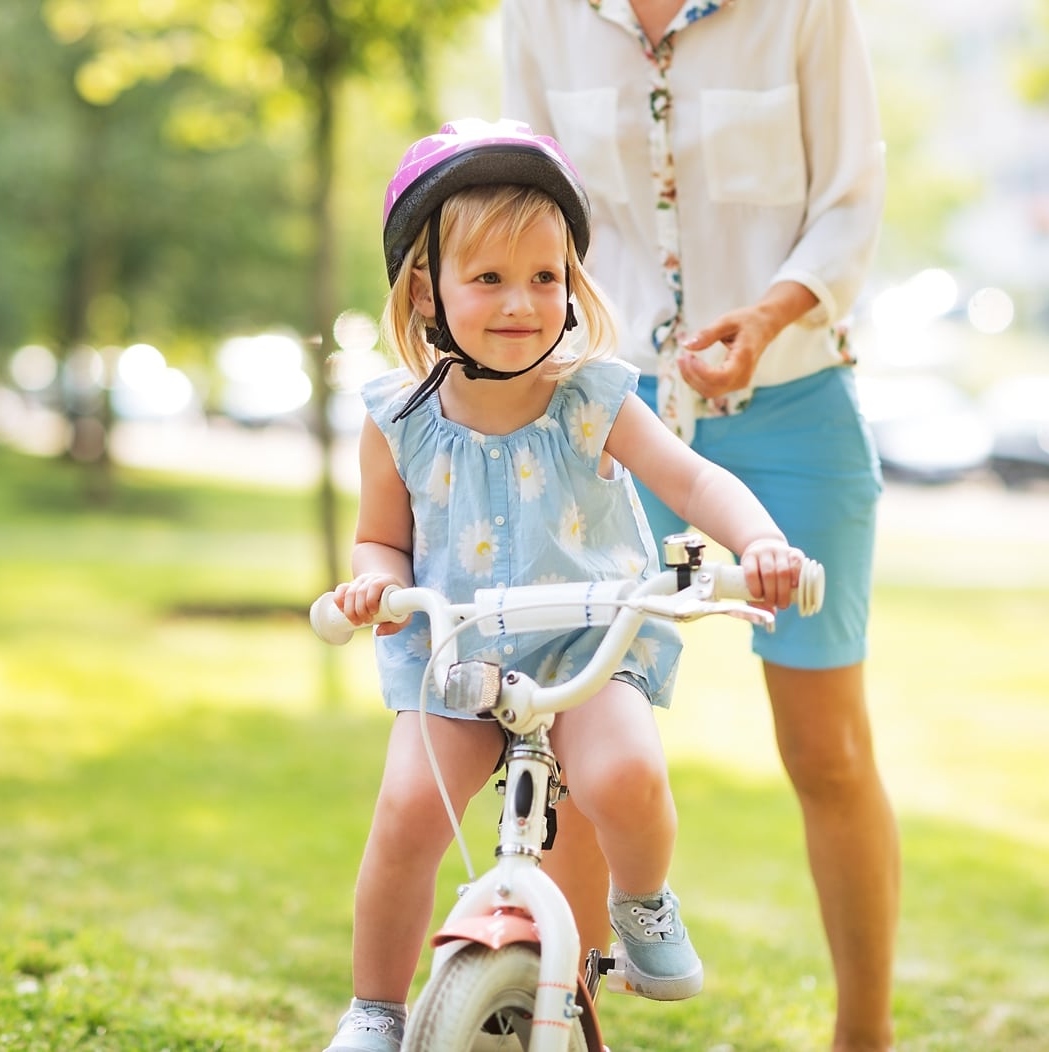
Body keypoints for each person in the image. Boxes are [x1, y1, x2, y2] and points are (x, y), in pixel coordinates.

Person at [321, 117, 811, 1052]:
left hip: (593, 645)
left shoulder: (594, 397)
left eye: (545, 277)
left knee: (622, 773)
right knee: (409, 810)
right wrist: (372, 589)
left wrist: (761, 542)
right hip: (457, 656)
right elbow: (380, 540)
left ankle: (643, 901)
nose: (522, 302)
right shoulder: (398, 421)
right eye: (490, 278)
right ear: (426, 289)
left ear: (572, 285)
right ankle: (378, 1006)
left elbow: (693, 481)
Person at [501, 4, 900, 1051]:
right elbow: (525, 210)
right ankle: (566, 1027)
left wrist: (762, 320)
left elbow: (850, 201)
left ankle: (863, 1035)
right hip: (606, 409)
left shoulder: (805, 11)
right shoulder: (539, 15)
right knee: (580, 729)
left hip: (792, 398)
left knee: (826, 750)